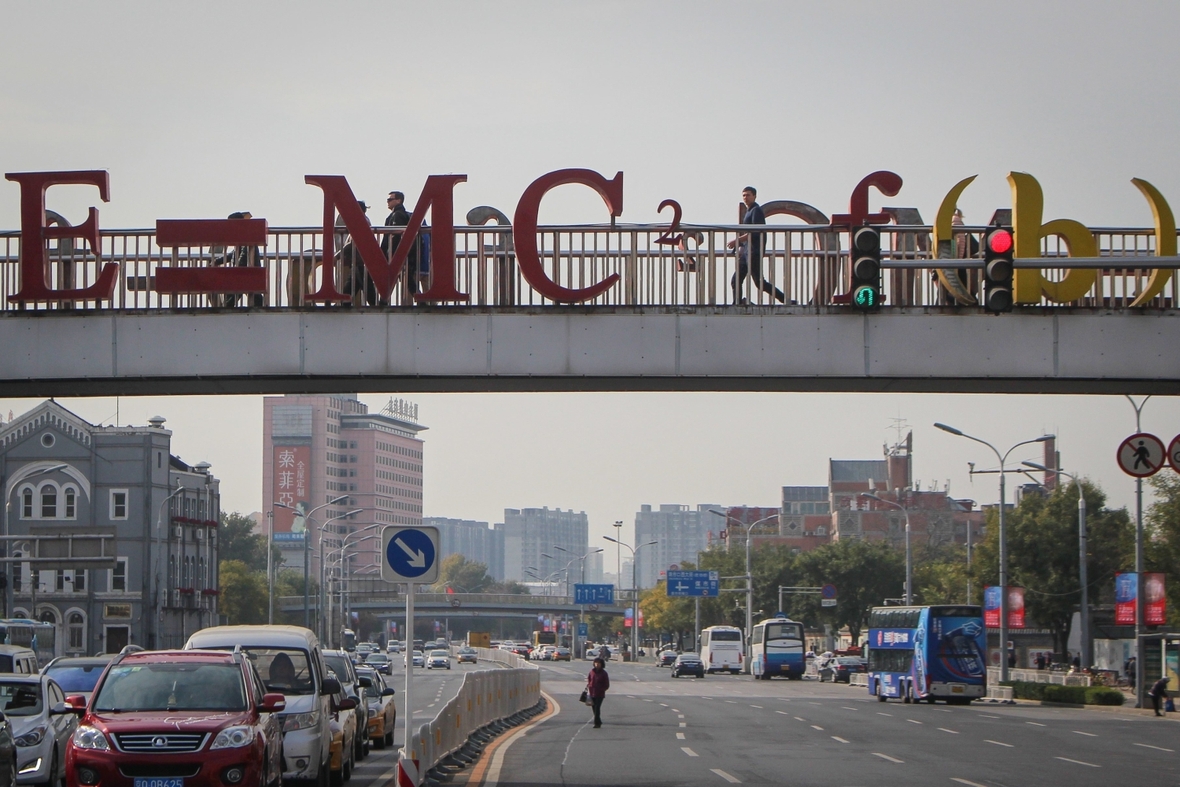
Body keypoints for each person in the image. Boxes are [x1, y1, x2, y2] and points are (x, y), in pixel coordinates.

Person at [727, 186, 785, 305]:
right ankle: (737, 303)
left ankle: (785, 299)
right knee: (736, 280)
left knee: (759, 283)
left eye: (748, 195)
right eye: (744, 195)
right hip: (747, 252)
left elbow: (755, 231)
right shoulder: (749, 211)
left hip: (754, 252)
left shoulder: (756, 210)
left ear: (754, 196)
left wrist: (737, 240)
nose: (745, 198)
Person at [213, 211, 264, 308]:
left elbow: (243, 256)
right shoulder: (242, 237)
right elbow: (233, 254)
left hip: (246, 274)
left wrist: (236, 270)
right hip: (244, 274)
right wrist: (218, 261)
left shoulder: (247, 238)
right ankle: (258, 307)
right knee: (248, 294)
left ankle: (228, 308)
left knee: (234, 294)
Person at [586, 657, 610, 728]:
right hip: (592, 693)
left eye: (598, 663)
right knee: (593, 708)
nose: (597, 665)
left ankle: (596, 723)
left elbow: (607, 684)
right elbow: (589, 680)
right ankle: (598, 721)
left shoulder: (604, 673)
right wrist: (590, 686)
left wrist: (602, 689)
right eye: (596, 663)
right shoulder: (591, 672)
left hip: (600, 694)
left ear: (601, 664)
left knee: (597, 707)